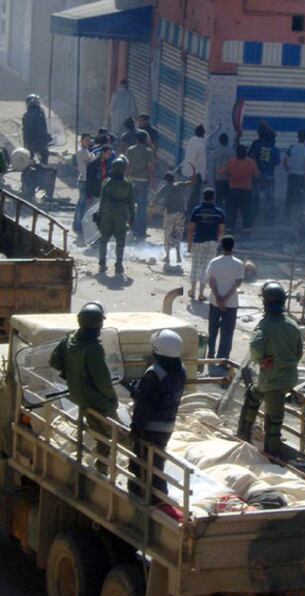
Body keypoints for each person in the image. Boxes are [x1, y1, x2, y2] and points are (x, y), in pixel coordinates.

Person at [50, 302, 118, 474]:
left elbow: (54, 361)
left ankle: (102, 465)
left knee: (99, 431)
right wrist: (112, 400)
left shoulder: (69, 339)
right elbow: (103, 381)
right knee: (119, 434)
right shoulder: (93, 349)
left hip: (77, 395)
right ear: (98, 324)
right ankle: (106, 467)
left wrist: (71, 371)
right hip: (97, 400)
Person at [237, 283, 303, 457]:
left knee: (273, 419)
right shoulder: (292, 325)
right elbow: (298, 352)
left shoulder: (265, 326)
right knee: (257, 394)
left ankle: (268, 452)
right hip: (289, 377)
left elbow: (256, 345)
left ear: (266, 302)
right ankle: (259, 442)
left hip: (272, 379)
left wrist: (261, 360)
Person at [129, 329, 186, 500]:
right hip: (167, 426)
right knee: (156, 462)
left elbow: (144, 406)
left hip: (150, 429)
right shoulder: (181, 370)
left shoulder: (154, 373)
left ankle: (150, 500)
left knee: (141, 465)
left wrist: (136, 429)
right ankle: (157, 498)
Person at [207, 235, 243, 363]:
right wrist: (225, 298)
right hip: (231, 303)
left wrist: (218, 298)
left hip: (214, 301)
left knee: (212, 329)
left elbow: (211, 281)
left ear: (222, 246)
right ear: (233, 247)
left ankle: (210, 354)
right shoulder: (238, 264)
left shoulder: (214, 262)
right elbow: (237, 284)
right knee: (227, 332)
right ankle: (223, 358)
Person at [97, 157, 135, 274]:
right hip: (121, 215)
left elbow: (102, 201)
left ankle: (102, 264)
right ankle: (118, 265)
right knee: (120, 240)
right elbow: (131, 203)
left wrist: (99, 216)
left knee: (103, 239)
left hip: (107, 215)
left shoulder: (107, 183)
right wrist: (132, 217)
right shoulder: (128, 184)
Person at [188, 187, 225, 301]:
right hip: (212, 242)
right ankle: (201, 294)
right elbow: (222, 230)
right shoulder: (219, 212)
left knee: (196, 265)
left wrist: (189, 244)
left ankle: (193, 290)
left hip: (198, 240)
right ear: (213, 198)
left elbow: (191, 228)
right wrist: (218, 243)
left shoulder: (197, 210)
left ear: (203, 197)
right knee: (207, 268)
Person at [152, 168, 195, 265]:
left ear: (166, 180)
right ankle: (178, 256)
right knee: (178, 234)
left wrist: (151, 208)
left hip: (169, 213)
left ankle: (167, 256)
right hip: (180, 214)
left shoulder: (164, 187)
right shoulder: (179, 185)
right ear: (173, 179)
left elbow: (155, 198)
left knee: (168, 235)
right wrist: (193, 170)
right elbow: (192, 182)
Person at [220, 144, 259, 234]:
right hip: (246, 190)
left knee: (232, 210)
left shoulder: (231, 162)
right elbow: (257, 174)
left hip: (233, 190)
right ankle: (246, 228)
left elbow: (222, 172)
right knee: (246, 210)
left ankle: (230, 227)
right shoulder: (250, 162)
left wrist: (229, 177)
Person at [248, 126, 280, 224]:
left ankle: (252, 218)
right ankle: (268, 220)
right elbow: (277, 162)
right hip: (269, 175)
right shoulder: (275, 149)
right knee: (269, 199)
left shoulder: (257, 146)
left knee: (254, 197)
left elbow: (251, 157)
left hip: (257, 175)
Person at [127, 130, 154, 239]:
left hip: (131, 180)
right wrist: (152, 180)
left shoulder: (130, 150)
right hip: (143, 180)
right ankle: (141, 231)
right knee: (142, 207)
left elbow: (127, 166)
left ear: (137, 140)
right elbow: (150, 167)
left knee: (131, 205)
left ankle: (132, 227)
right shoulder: (148, 151)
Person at [284, 130, 305, 221]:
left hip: (292, 174)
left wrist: (288, 169)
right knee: (300, 196)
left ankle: (287, 216)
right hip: (302, 175)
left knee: (289, 195)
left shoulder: (292, 147)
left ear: (297, 137)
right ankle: (299, 216)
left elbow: (285, 160)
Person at [183, 124, 207, 218]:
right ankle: (191, 213)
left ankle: (187, 211)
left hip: (186, 170)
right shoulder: (201, 145)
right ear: (203, 133)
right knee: (195, 194)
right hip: (196, 172)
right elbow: (202, 162)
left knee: (189, 193)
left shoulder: (191, 141)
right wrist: (204, 177)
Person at [73, 133, 95, 235]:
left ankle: (77, 225)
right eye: (86, 140)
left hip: (83, 179)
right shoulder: (83, 152)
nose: (88, 142)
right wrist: (95, 155)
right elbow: (91, 160)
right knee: (82, 205)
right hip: (84, 180)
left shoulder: (86, 151)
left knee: (80, 204)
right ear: (81, 141)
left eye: (89, 140)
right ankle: (79, 226)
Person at [22, 94, 50, 165]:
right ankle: (44, 168)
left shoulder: (26, 115)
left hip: (28, 143)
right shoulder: (39, 114)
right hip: (39, 142)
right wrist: (46, 137)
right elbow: (41, 130)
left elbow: (25, 130)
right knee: (45, 156)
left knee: (29, 160)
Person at [213, 133, 232, 210]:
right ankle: (227, 215)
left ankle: (218, 214)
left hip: (218, 179)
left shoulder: (216, 151)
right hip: (228, 179)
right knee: (228, 199)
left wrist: (213, 177)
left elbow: (213, 166)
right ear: (227, 141)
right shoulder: (231, 151)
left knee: (219, 199)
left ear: (219, 141)